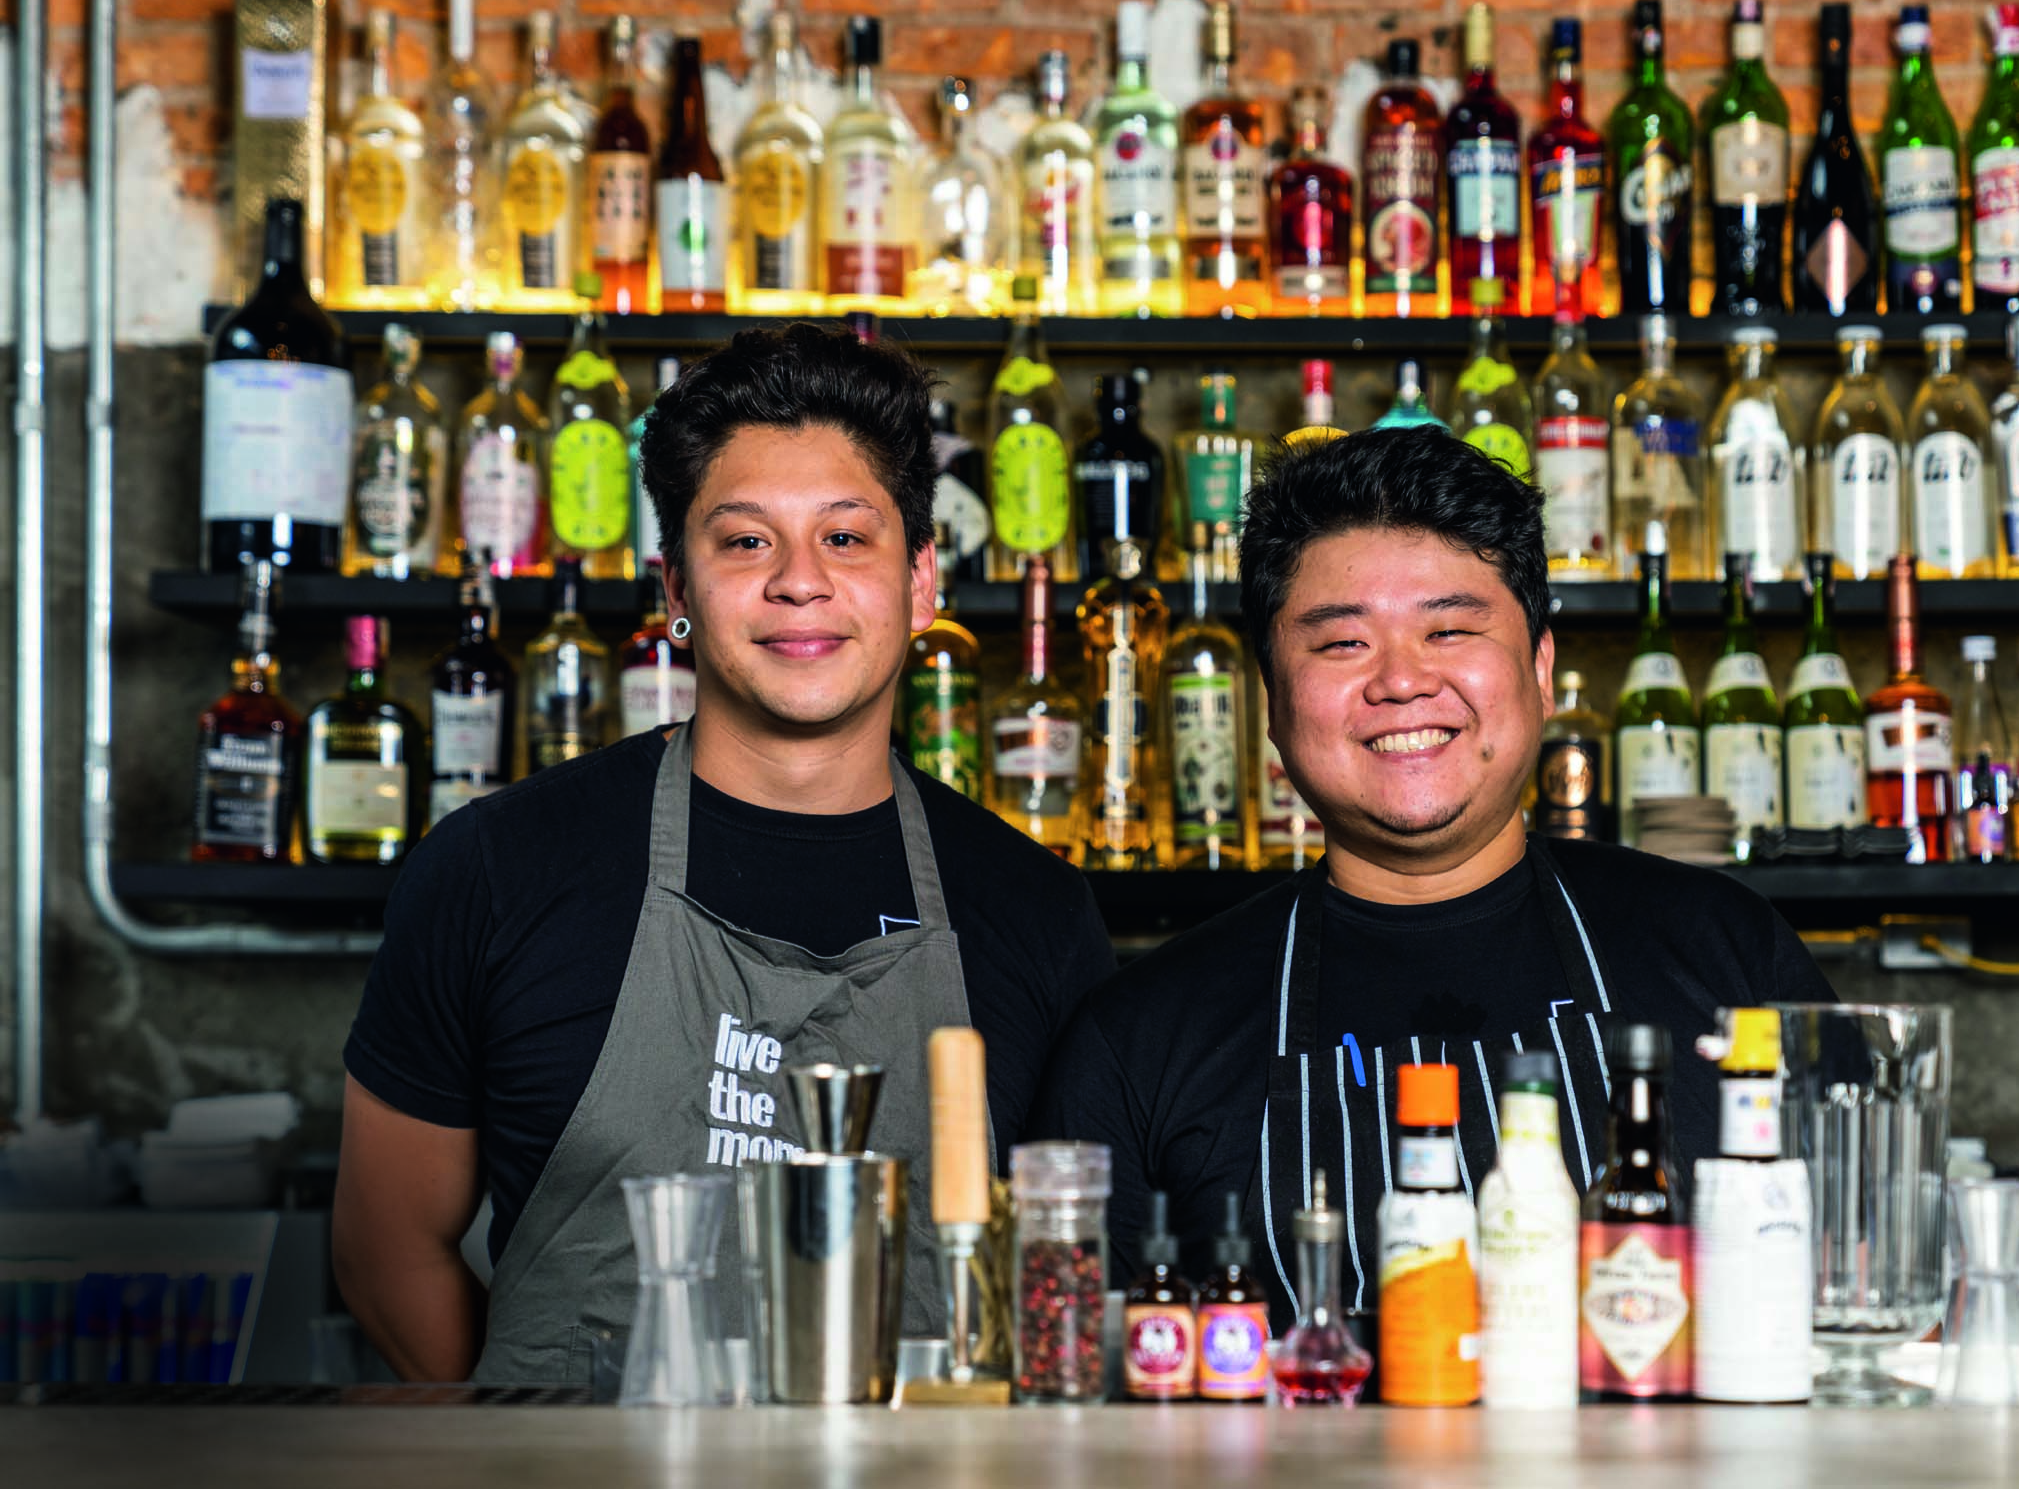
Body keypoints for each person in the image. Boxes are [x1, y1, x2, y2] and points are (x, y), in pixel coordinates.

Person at [336, 324, 1113, 1383]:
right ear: (675, 593)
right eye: (745, 541)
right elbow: (385, 1248)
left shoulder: (1034, 908)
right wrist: (514, 1451)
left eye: (847, 538)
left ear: (923, 582)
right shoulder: (494, 870)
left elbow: (1060, 1275)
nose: (800, 581)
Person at [1029, 427, 1833, 1324]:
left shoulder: (1731, 956)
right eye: (1342, 646)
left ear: (1539, 666)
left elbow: (1860, 1298)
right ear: (1271, 702)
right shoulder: (1140, 1040)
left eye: (1450, 630)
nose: (1403, 682)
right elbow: (1088, 1419)